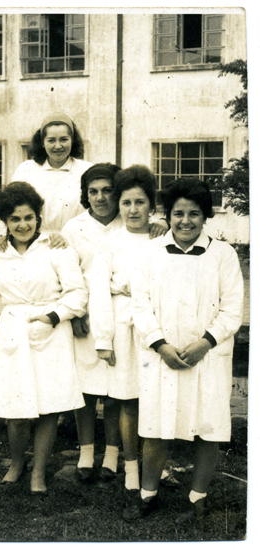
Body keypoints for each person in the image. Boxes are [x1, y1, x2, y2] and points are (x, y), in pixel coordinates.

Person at [125, 178, 244, 523]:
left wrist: (205, 343)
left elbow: (233, 308)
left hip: (206, 356)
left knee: (208, 425)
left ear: (205, 216)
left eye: (194, 214)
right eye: (178, 213)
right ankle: (148, 495)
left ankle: (198, 498)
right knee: (155, 425)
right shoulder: (149, 253)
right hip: (161, 356)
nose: (185, 221)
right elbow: (140, 306)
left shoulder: (223, 254)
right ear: (169, 215)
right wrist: (161, 345)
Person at [62, 164, 167, 484]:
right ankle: (88, 454)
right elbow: (76, 276)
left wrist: (161, 222)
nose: (100, 197)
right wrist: (83, 318)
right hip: (94, 316)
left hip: (138, 321)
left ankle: (114, 456)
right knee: (92, 389)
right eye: (93, 191)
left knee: (121, 394)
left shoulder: (149, 231)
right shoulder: (80, 230)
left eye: (108, 190)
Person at [0, 182, 88, 495]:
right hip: (14, 329)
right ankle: (17, 463)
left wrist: (54, 317)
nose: (23, 224)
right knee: (15, 410)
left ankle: (38, 472)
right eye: (15, 219)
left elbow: (78, 293)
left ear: (38, 216)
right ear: (4, 221)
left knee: (49, 407)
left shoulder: (56, 246)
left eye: (29, 217)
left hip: (52, 328)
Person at [88, 165, 158, 493]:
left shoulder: (163, 237)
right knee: (128, 399)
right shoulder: (110, 241)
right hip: (122, 325)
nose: (133, 210)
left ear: (151, 205)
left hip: (156, 327)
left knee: (156, 397)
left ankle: (159, 463)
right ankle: (130, 467)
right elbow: (99, 291)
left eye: (140, 202)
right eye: (127, 203)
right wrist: (103, 338)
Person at [11, 112, 92, 232]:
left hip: (75, 238)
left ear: (72, 141)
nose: (58, 146)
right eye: (51, 140)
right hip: (34, 240)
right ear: (42, 142)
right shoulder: (26, 169)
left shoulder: (87, 170)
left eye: (64, 139)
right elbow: (11, 207)